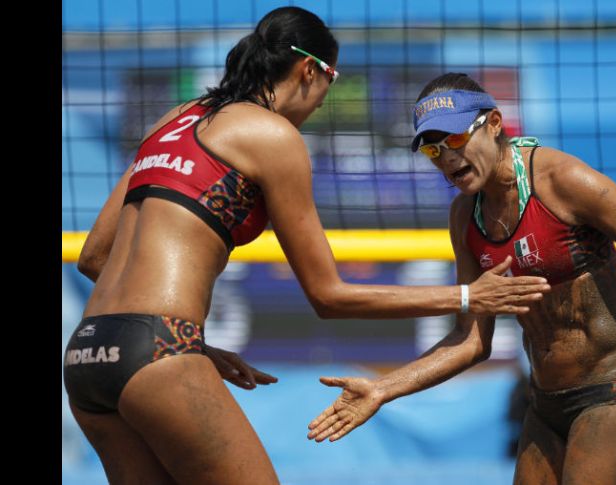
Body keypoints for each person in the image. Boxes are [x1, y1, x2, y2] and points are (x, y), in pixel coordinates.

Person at [63, 9, 550, 484]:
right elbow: (329, 296)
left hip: (87, 356)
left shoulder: (174, 120)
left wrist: (194, 347)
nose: (321, 101)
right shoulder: (274, 135)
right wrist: (468, 297)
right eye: (330, 81)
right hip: (159, 351)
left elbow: (93, 258)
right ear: (308, 69)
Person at [307, 72, 616, 485]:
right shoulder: (465, 216)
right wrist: (383, 389)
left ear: (494, 124)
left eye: (455, 139)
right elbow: (472, 341)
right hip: (544, 406)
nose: (445, 158)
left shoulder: (564, 181)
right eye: (432, 150)